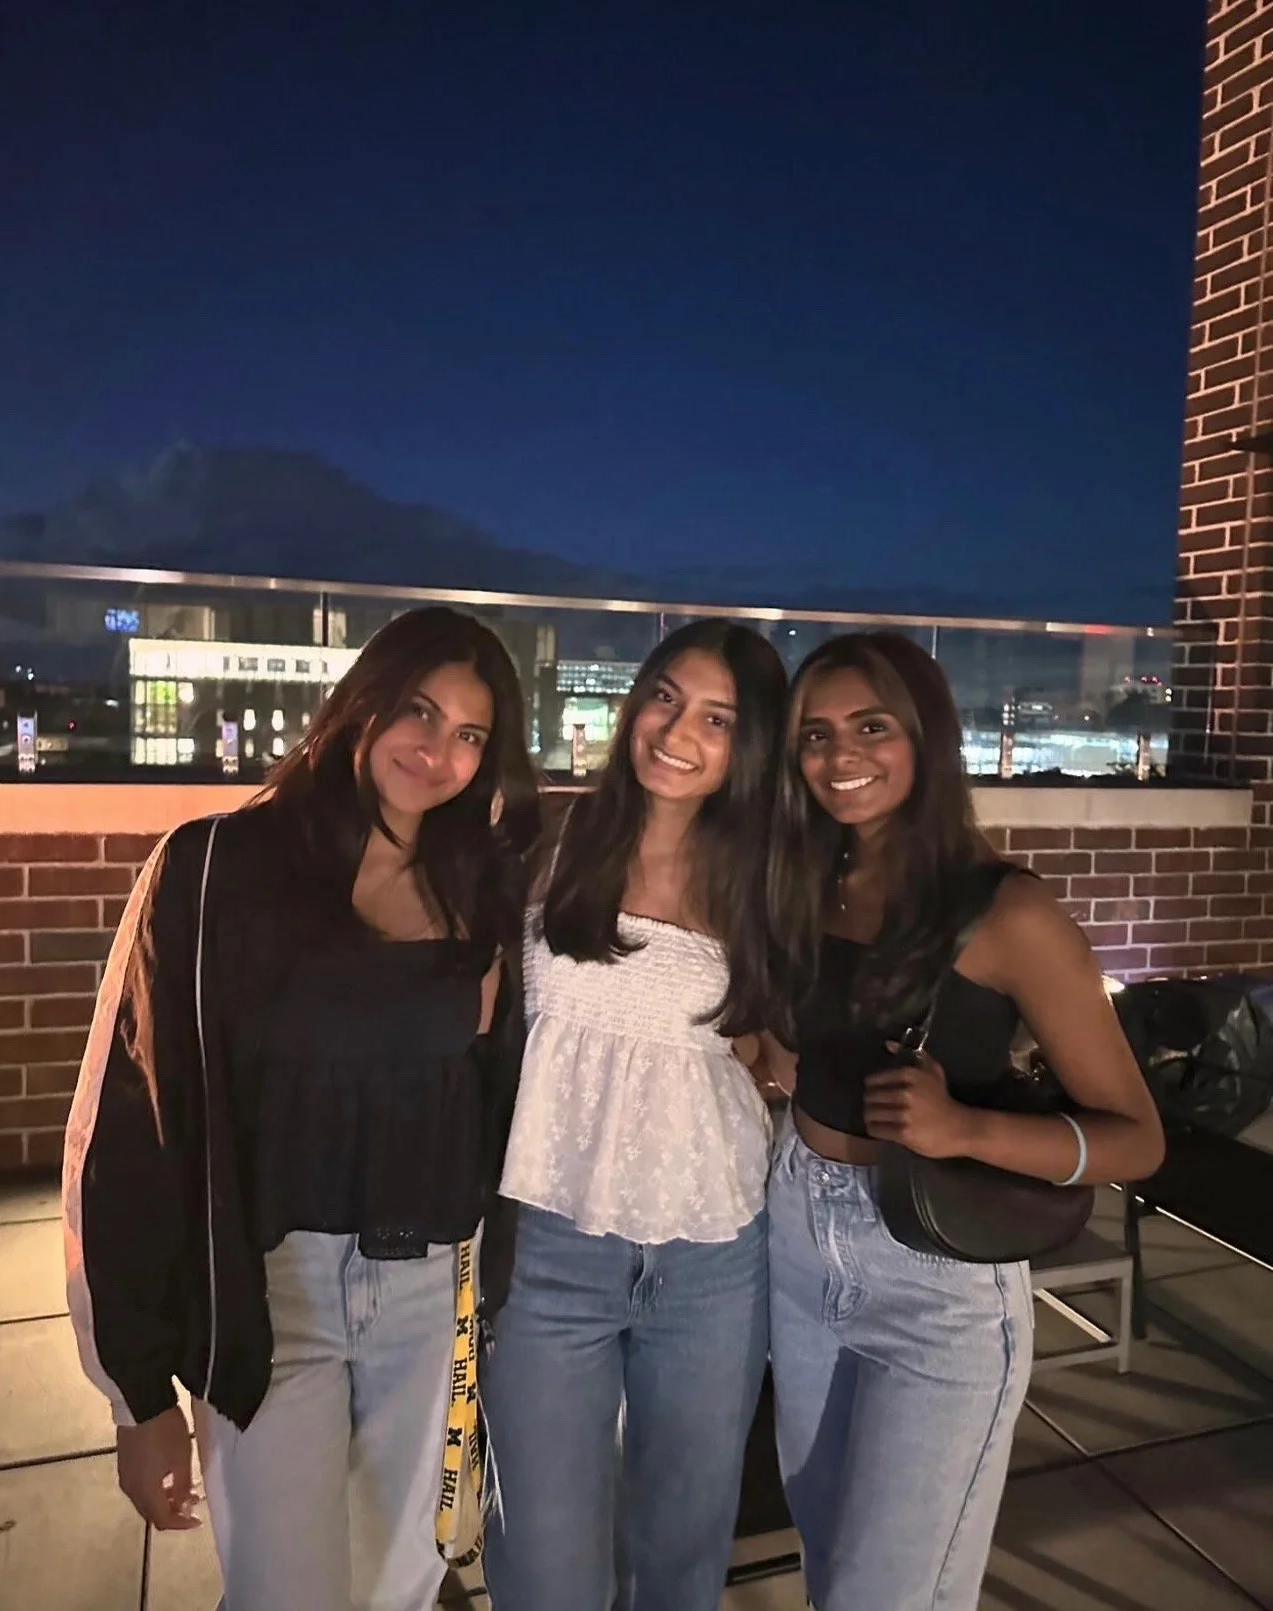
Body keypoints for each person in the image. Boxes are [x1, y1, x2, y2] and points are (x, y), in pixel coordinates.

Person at [63, 607, 541, 1611]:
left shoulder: (483, 889)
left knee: (399, 1588)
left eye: (471, 735)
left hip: (431, 1296)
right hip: (280, 1298)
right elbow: (133, 1129)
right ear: (362, 706)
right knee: (287, 1593)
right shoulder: (216, 868)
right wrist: (137, 1393)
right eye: (418, 712)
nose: (437, 751)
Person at [763, 631, 1165, 1611]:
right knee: (827, 1561)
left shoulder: (1007, 914)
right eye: (815, 735)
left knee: (885, 1595)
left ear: (928, 738)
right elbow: (797, 1049)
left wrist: (968, 1133)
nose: (840, 756)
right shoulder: (812, 882)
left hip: (936, 1283)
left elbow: (1136, 1138)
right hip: (796, 1241)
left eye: (871, 727)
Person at [482, 619, 787, 1611]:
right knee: (543, 1556)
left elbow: (775, 1050)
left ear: (751, 748)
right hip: (550, 1245)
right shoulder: (541, 843)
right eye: (664, 695)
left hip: (712, 1252)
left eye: (717, 718)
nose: (676, 730)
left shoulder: (767, 881)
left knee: (682, 1548)